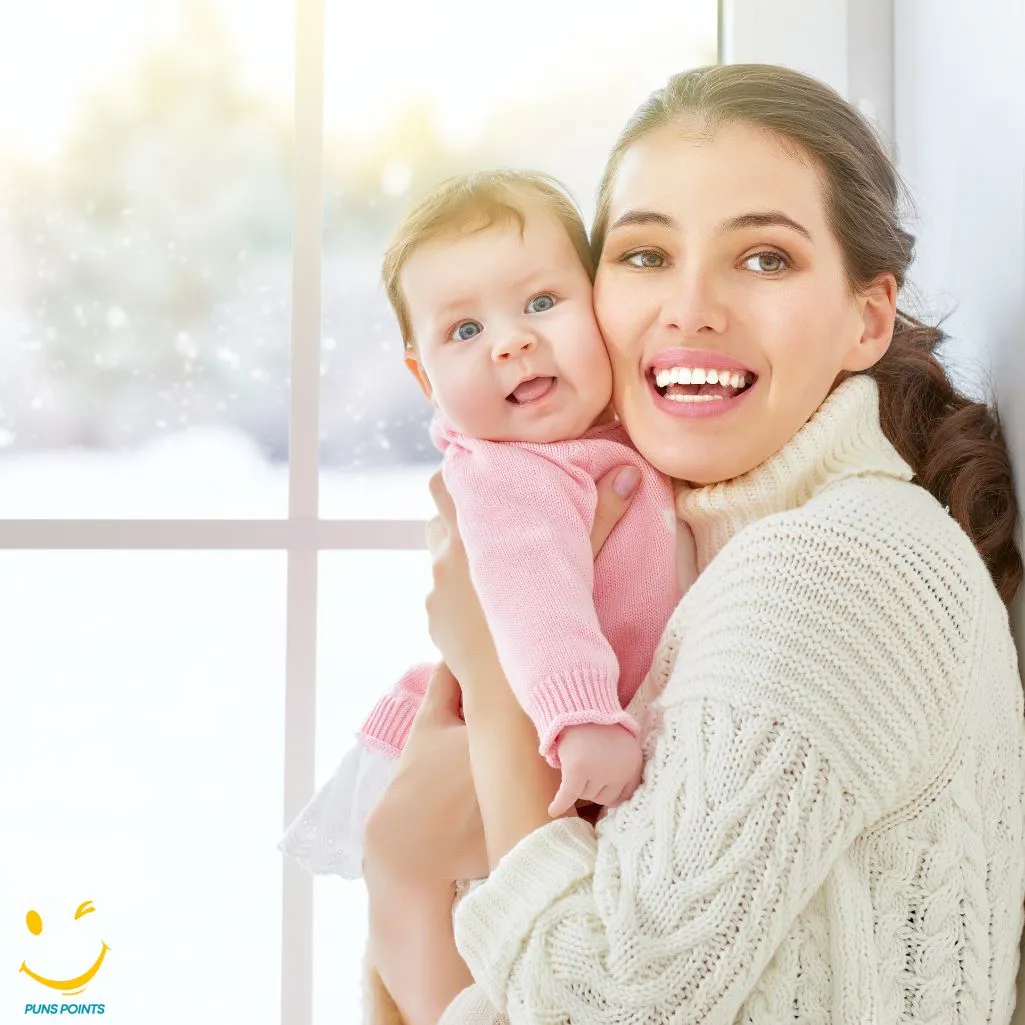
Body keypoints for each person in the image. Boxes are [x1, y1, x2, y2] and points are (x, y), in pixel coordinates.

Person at [360, 63, 1025, 1025]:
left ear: (866, 316)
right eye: (642, 256)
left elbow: (604, 1003)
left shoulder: (833, 567)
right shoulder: (692, 559)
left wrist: (493, 701)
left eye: (764, 258)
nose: (690, 308)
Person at [279, 171, 689, 881]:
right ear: (423, 378)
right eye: (464, 330)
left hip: (558, 742)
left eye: (541, 301)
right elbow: (536, 604)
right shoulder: (508, 472)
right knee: (483, 949)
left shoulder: (614, 435)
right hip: (513, 740)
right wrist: (583, 714)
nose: (511, 342)